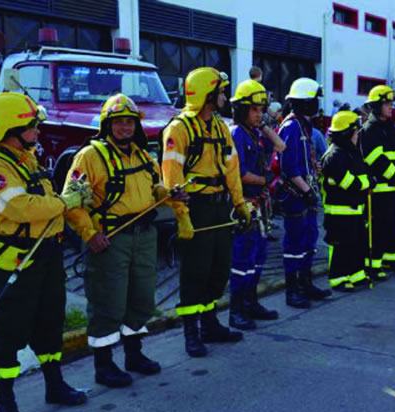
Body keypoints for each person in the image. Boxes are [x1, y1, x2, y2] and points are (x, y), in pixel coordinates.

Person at [0, 92, 91, 412]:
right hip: (16, 260)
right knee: (9, 333)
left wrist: (66, 200)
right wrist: (66, 202)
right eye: (31, 126)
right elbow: (20, 207)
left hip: (46, 252)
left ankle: (55, 385)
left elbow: (43, 197)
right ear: (9, 129)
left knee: (50, 322)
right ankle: (4, 403)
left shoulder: (23, 156)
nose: (38, 131)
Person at [64, 94, 177, 387]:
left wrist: (171, 195)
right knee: (108, 304)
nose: (125, 128)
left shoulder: (142, 155)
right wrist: (89, 235)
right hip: (110, 241)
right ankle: (104, 366)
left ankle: (134, 355)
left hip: (144, 238)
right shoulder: (89, 156)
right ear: (107, 125)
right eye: (118, 123)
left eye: (129, 122)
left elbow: (156, 189)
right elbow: (71, 202)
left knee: (141, 300)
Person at [162, 67, 250, 358]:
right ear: (208, 95)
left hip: (220, 206)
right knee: (195, 273)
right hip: (196, 209)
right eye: (221, 91)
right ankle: (191, 332)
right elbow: (172, 177)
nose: (225, 96)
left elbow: (232, 168)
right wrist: (182, 214)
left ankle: (210, 324)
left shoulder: (220, 127)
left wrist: (239, 203)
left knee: (218, 269)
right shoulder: (179, 129)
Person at [228, 79, 285, 330]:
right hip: (245, 205)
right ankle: (236, 310)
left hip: (260, 205)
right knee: (242, 260)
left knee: (258, 257)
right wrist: (266, 179)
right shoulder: (237, 134)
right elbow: (239, 174)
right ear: (241, 109)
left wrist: (263, 125)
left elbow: (281, 146)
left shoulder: (254, 132)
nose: (259, 113)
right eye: (254, 109)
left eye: (261, 109)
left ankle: (252, 303)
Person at [278, 77, 332, 308]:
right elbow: (288, 167)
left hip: (306, 192)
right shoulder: (291, 127)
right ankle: (293, 290)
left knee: (309, 241)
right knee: (295, 245)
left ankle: (306, 283)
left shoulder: (305, 127)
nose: (316, 104)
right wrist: (306, 190)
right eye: (313, 100)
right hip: (295, 196)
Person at [321, 111, 373, 291]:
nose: (357, 135)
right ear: (346, 134)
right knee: (340, 247)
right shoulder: (334, 156)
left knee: (356, 244)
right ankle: (338, 278)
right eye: (355, 132)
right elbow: (349, 182)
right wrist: (368, 182)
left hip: (354, 210)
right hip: (338, 213)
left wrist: (366, 180)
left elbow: (362, 173)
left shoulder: (350, 153)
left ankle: (355, 274)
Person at [359, 85, 395, 276]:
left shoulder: (390, 128)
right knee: (378, 228)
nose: (390, 107)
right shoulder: (369, 130)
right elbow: (376, 160)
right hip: (380, 190)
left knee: (394, 225)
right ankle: (373, 264)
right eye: (387, 104)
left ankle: (390, 258)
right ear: (377, 106)